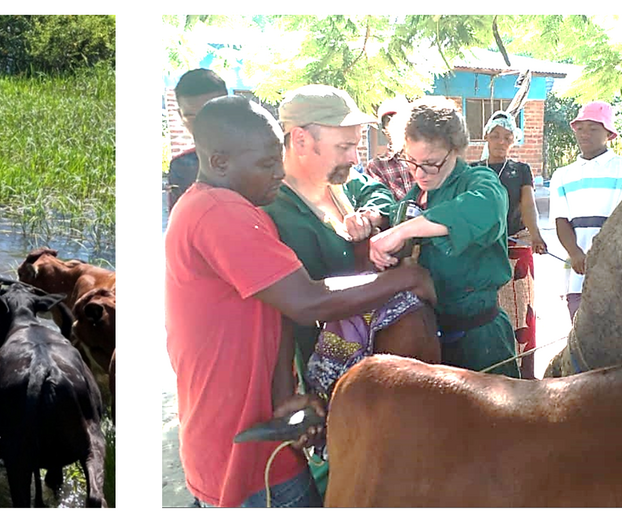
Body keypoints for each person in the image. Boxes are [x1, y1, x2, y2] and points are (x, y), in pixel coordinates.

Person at [164, 95, 435, 508]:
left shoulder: (240, 207)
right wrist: (407, 278)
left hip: (264, 431)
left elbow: (275, 316)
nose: (278, 172)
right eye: (265, 164)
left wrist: (282, 396)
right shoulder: (220, 212)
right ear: (220, 163)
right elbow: (306, 302)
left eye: (278, 159)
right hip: (239, 451)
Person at [263, 84, 397, 497]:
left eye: (355, 146)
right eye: (344, 146)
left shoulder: (343, 183)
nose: (354, 157)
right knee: (339, 467)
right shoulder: (272, 207)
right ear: (301, 139)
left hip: (372, 355)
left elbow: (382, 195)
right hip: (314, 365)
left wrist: (372, 217)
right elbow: (298, 301)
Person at [369, 96, 519, 378]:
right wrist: (377, 220)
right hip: (431, 335)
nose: (420, 173)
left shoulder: (480, 181)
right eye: (411, 162)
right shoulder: (417, 195)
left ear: (455, 150)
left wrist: (405, 230)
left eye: (431, 163)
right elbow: (393, 211)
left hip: (480, 337)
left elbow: (484, 207)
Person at [471, 110, 547, 378]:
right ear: (486, 138)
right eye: (495, 136)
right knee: (484, 311)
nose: (501, 142)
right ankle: (488, 372)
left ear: (513, 140)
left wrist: (536, 234)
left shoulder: (521, 170)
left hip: (516, 248)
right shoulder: (472, 172)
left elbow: (528, 205)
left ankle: (523, 374)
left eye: (507, 137)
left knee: (521, 310)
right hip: (482, 250)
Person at [550, 101, 622, 321]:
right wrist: (575, 253)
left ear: (609, 134)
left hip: (617, 272)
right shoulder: (562, 175)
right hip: (578, 274)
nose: (585, 134)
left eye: (594, 128)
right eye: (580, 128)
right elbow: (561, 221)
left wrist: (605, 258)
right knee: (582, 338)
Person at [166, 68, 229, 211]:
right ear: (180, 115)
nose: (202, 124)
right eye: (192, 118)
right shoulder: (181, 167)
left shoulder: (258, 156)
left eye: (211, 113)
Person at [365, 97, 417, 200]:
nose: (395, 128)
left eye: (400, 123)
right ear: (385, 131)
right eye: (389, 123)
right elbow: (380, 202)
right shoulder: (377, 166)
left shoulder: (426, 158)